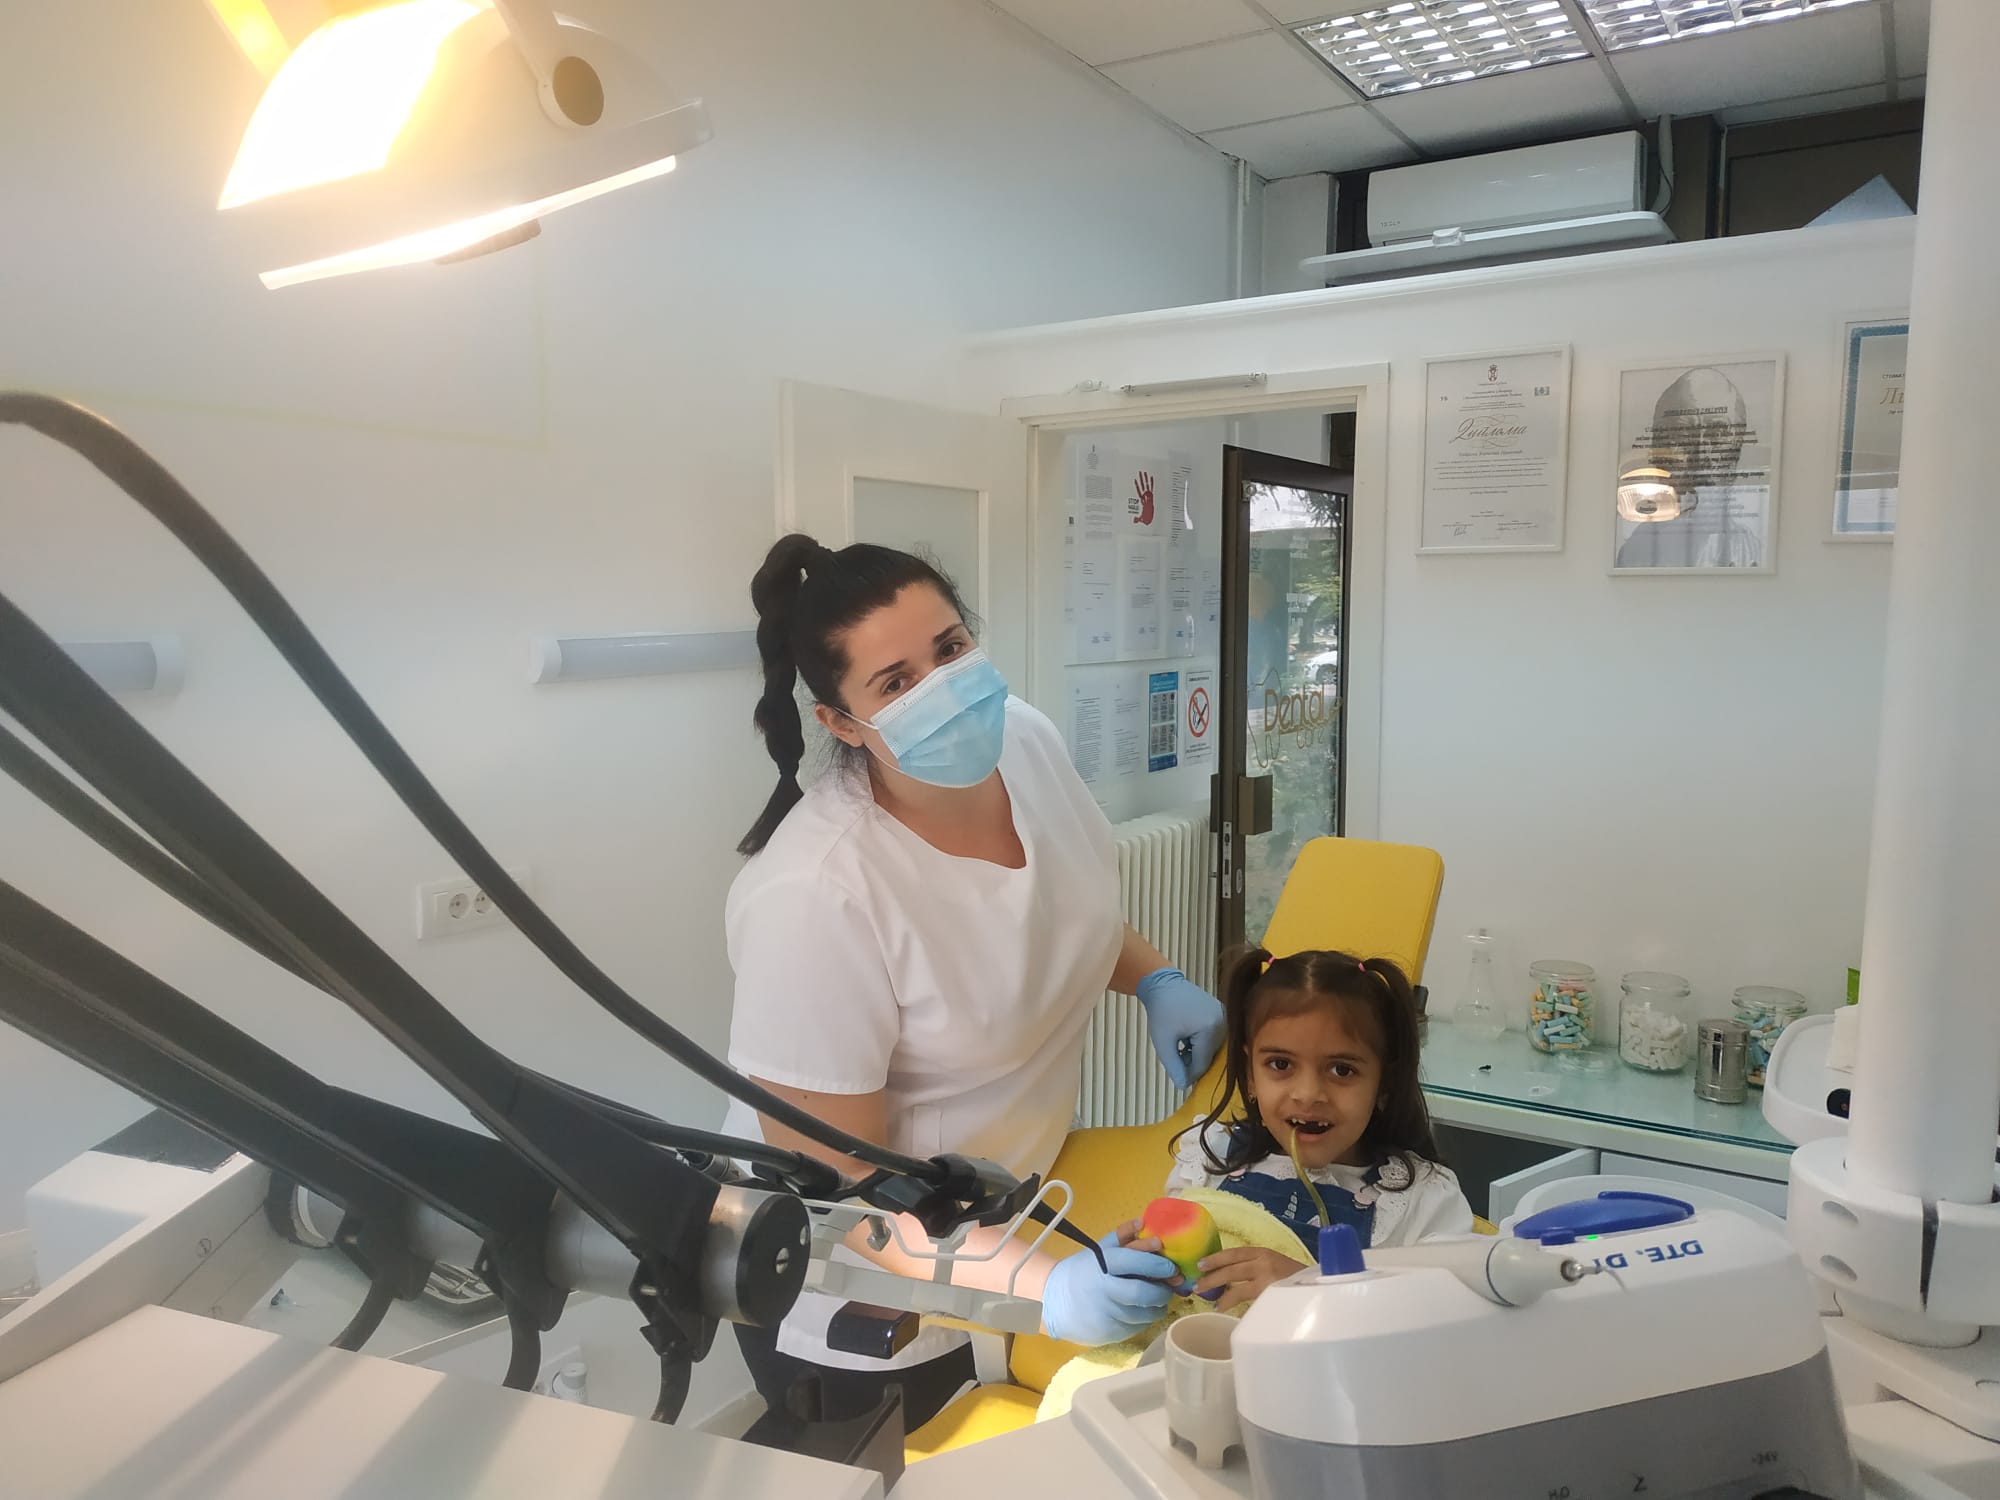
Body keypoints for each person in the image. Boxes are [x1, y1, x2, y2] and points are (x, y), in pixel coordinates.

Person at [721, 534, 1228, 1429]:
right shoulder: (815, 897)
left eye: (950, 648)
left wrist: (1156, 979)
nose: (944, 689)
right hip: (870, 1291)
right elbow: (846, 1193)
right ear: (841, 723)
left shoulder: (1022, 739)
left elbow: (1060, 904)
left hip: (1012, 1209)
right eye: (895, 682)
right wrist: (1046, 1286)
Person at [1131, 946, 1473, 1311]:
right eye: (1280, 1064)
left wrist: (1312, 1289)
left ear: (1383, 1085)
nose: (1308, 1094)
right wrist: (1135, 1278)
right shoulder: (1209, 1159)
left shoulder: (1422, 1202)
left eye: (1342, 1070)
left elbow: (1444, 1322)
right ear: (1250, 1075)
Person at [1614, 366, 1766, 570]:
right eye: (1684, 436)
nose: (1701, 456)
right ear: (1657, 451)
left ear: (1737, 449)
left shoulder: (1751, 551)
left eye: (1717, 435)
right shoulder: (1637, 550)